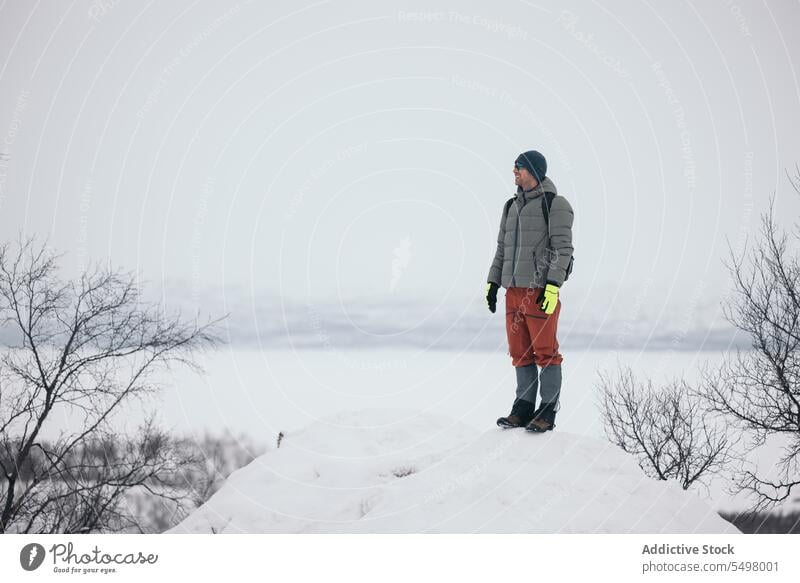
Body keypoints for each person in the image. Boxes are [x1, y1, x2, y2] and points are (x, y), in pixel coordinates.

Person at [485, 150, 574, 432]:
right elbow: (502, 249)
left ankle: (547, 411)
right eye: (514, 168)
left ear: (534, 172)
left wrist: (552, 286)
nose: (514, 173)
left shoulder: (555, 204)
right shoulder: (510, 207)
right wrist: (493, 282)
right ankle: (522, 409)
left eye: (519, 168)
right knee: (520, 352)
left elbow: (563, 249)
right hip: (513, 291)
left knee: (545, 352)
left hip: (539, 292)